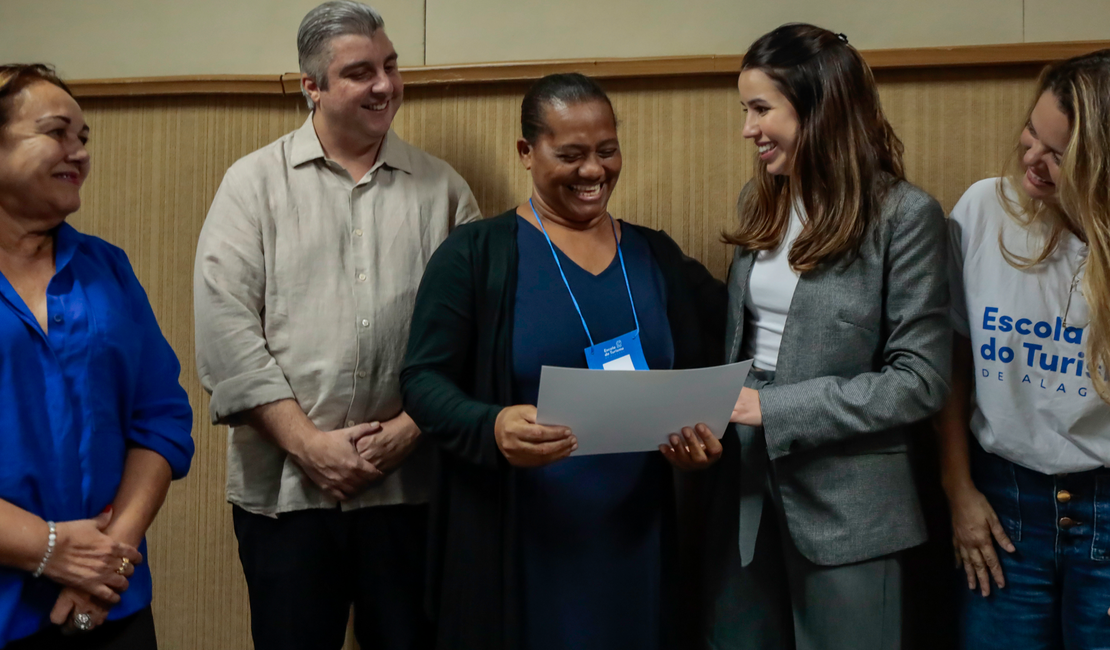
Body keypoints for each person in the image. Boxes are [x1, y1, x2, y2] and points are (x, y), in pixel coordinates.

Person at [400, 72, 727, 650]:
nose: (594, 171)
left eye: (607, 151)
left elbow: (716, 365)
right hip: (524, 545)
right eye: (570, 155)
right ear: (527, 153)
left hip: (639, 541)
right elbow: (422, 381)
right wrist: (491, 424)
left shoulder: (658, 257)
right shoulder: (475, 258)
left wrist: (699, 447)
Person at [192, 2, 480, 649]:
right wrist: (307, 443)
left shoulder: (445, 192)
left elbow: (474, 336)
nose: (384, 85)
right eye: (359, 72)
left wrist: (411, 429)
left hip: (410, 492)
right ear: (312, 87)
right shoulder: (252, 186)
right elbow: (226, 331)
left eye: (390, 65)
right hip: (286, 495)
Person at [704, 24, 951, 650]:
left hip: (852, 510)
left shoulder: (904, 216)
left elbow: (920, 382)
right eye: (745, 110)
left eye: (761, 109)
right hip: (747, 498)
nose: (747, 129)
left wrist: (773, 407)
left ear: (819, 107)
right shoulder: (758, 202)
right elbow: (746, 351)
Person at [0, 64, 194, 649]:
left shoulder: (107, 268)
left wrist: (108, 561)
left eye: (84, 138)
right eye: (57, 132)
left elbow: (161, 420)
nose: (78, 152)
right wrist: (50, 550)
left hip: (110, 607)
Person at [937, 49, 1110, 649]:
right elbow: (951, 370)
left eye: (1059, 155)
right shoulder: (984, 210)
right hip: (1003, 502)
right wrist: (959, 493)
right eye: (1032, 133)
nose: (1033, 158)